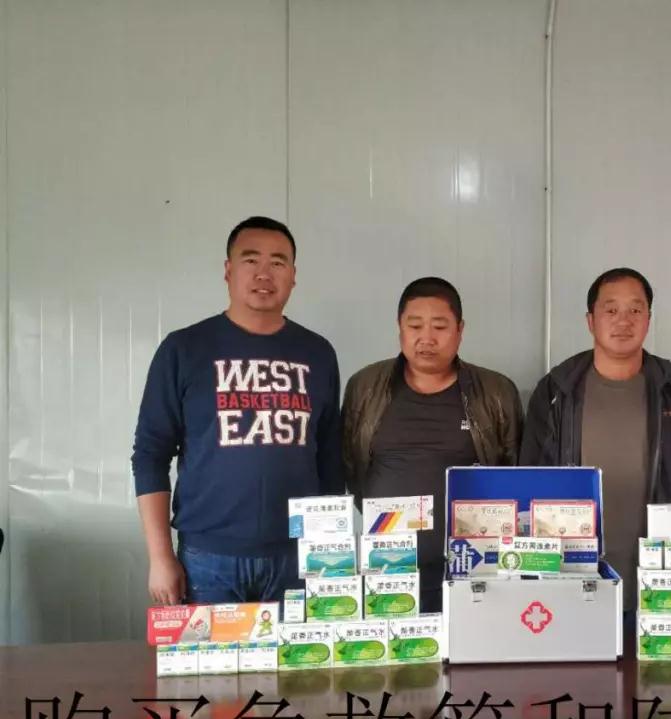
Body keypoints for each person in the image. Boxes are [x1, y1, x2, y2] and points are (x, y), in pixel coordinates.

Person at [132, 216, 344, 605]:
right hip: (208, 558)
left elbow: (330, 459)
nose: (264, 273)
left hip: (297, 555)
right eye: (251, 260)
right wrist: (160, 558)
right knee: (210, 652)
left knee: (298, 652)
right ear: (228, 271)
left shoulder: (317, 353)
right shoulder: (184, 349)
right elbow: (150, 454)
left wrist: (330, 551)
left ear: (293, 276)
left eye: (278, 262)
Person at [520, 268, 671, 607]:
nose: (623, 320)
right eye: (611, 309)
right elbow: (530, 480)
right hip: (572, 578)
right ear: (590, 320)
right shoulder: (556, 391)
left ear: (648, 319)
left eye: (635, 310)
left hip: (663, 580)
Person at [342, 277, 523, 613]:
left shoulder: (496, 392)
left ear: (460, 330)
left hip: (474, 567)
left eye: (439, 327)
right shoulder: (364, 387)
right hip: (388, 567)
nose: (426, 338)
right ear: (399, 327)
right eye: (415, 326)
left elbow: (512, 471)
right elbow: (353, 468)